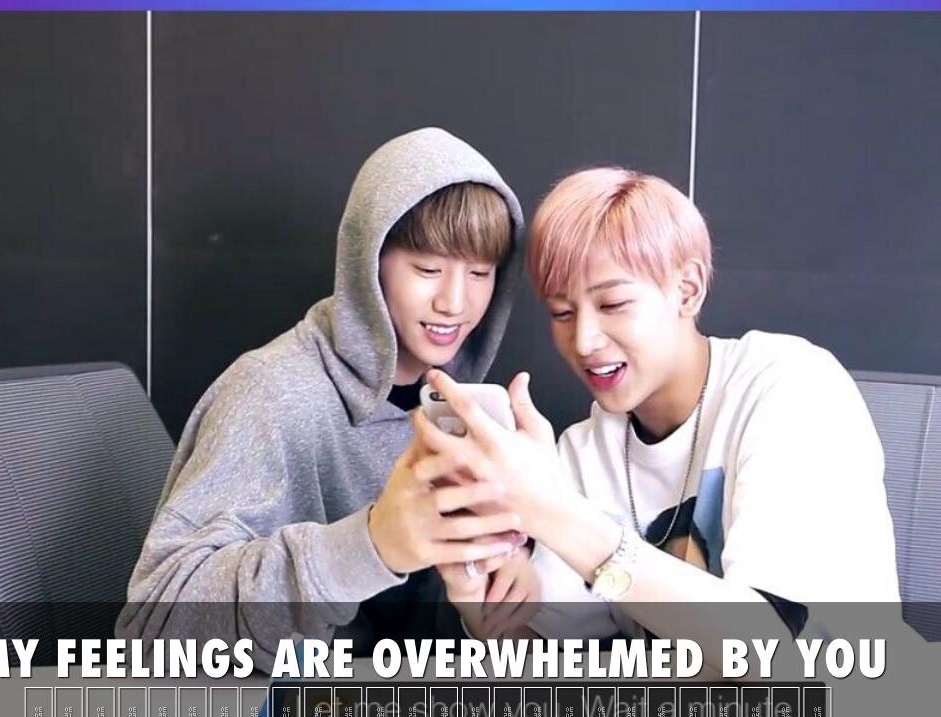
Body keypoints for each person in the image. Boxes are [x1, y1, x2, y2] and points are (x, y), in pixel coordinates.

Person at [414, 167, 900, 653]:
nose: (583, 341)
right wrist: (477, 602)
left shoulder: (790, 385)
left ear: (687, 289)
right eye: (562, 313)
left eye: (612, 304)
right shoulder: (584, 451)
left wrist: (551, 511)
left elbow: (771, 650)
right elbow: (555, 658)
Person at [117, 127, 535, 669]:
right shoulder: (270, 394)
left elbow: (406, 632)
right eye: (428, 269)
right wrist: (369, 546)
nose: (455, 302)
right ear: (368, 263)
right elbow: (152, 629)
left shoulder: (455, 410)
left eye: (480, 274)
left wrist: (481, 594)